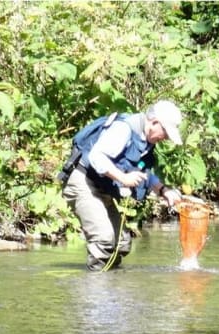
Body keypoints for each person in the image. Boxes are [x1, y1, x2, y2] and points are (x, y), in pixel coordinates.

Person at [62, 100, 183, 271]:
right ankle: (95, 291)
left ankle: (113, 289)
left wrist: (164, 190)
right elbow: (97, 157)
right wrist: (123, 178)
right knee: (104, 240)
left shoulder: (146, 141)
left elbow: (143, 173)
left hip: (101, 185)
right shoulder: (123, 129)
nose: (165, 139)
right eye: (165, 133)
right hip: (83, 180)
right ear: (154, 122)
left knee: (122, 243)